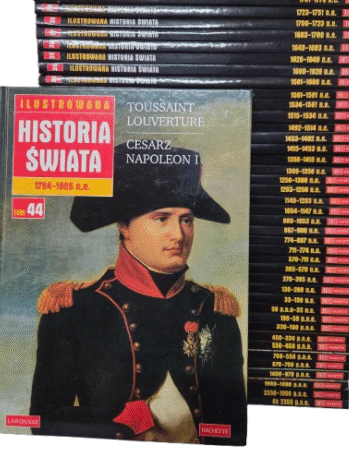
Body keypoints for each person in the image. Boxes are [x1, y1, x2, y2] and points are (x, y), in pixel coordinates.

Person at [30, 142, 247, 446]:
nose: (178, 234)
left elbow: (234, 429)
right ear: (124, 226)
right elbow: (41, 421)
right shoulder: (73, 310)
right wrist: (118, 424)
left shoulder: (213, 309)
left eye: (186, 219)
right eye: (162, 218)